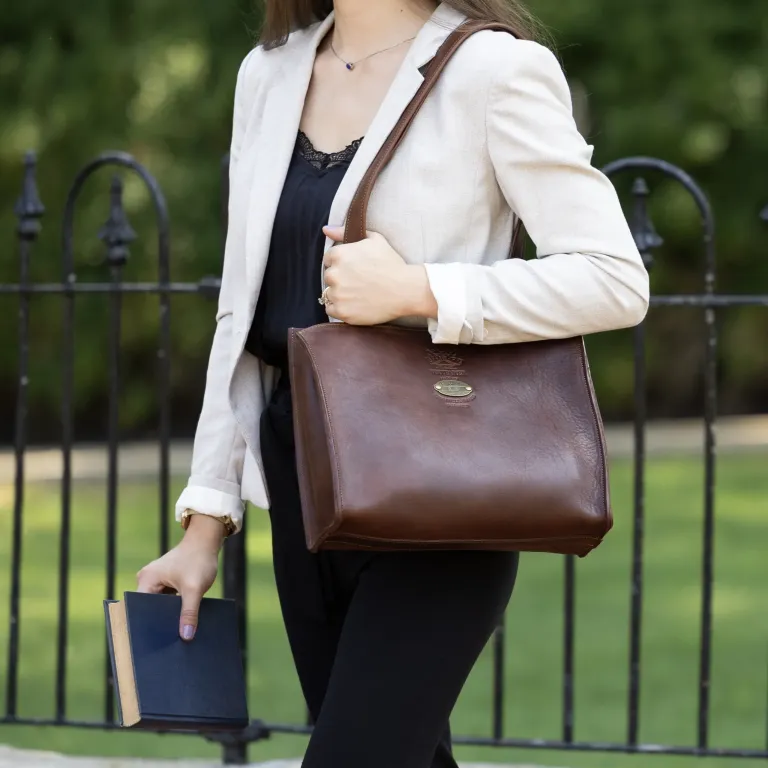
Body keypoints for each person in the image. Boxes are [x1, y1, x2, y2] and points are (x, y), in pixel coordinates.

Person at [136, 1, 650, 765]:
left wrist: (423, 291)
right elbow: (240, 315)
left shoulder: (495, 71)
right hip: (304, 473)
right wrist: (205, 523)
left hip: (439, 478)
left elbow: (614, 278)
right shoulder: (268, 75)